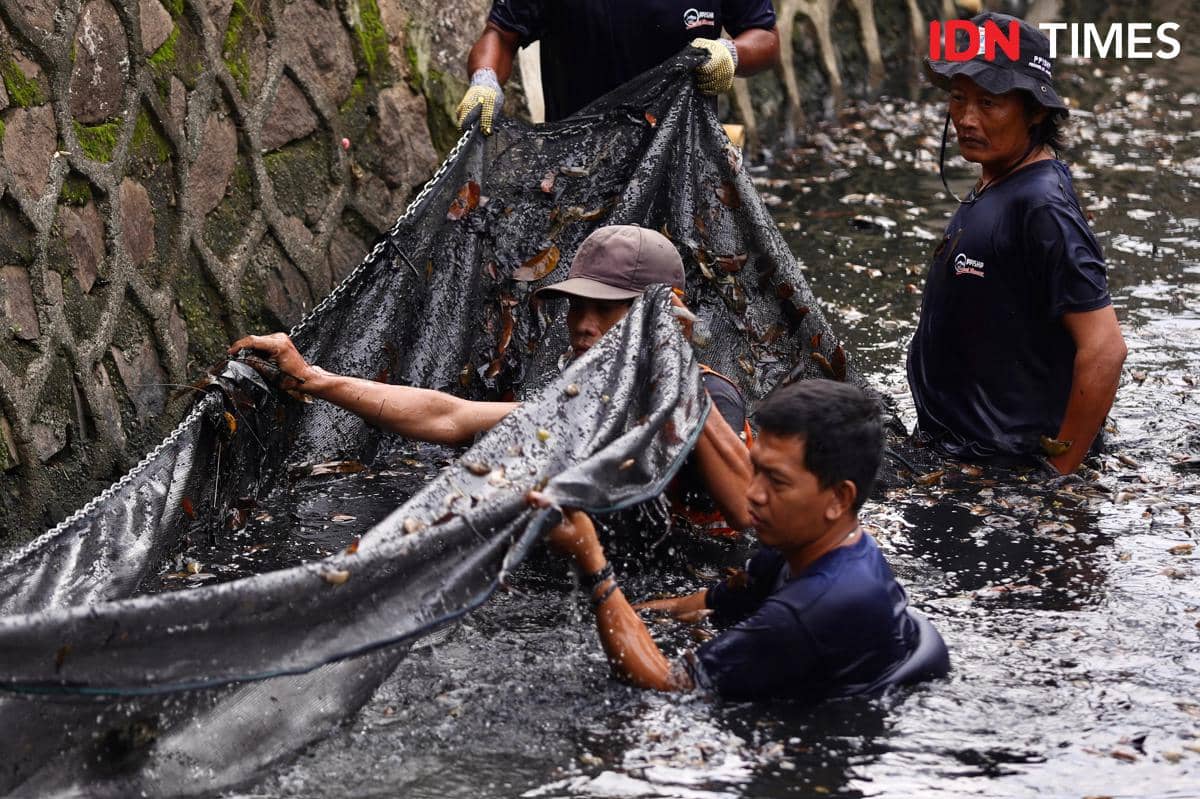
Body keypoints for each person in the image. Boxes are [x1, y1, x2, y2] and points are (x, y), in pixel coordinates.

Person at [229, 225, 753, 532]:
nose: (583, 327)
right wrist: (315, 379)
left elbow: (750, 513)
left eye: (607, 310)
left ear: (663, 314)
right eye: (577, 308)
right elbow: (451, 416)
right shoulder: (588, 396)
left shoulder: (711, 398)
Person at [533, 379, 949, 701]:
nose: (752, 492)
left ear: (839, 498)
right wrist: (625, 614)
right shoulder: (802, 550)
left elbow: (663, 684)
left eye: (778, 481)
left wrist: (594, 564)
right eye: (757, 469)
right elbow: (700, 605)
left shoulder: (807, 614)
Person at [907, 12, 1127, 475]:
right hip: (955, 455)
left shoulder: (1041, 206)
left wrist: (1057, 475)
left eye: (989, 103)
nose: (966, 119)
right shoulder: (999, 181)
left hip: (1006, 473)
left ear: (1036, 110)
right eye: (958, 98)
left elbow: (1105, 349)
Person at [456, 1, 780, 132]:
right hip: (575, 162)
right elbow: (500, 34)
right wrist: (485, 81)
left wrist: (731, 53)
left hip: (684, 158)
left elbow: (766, 38)